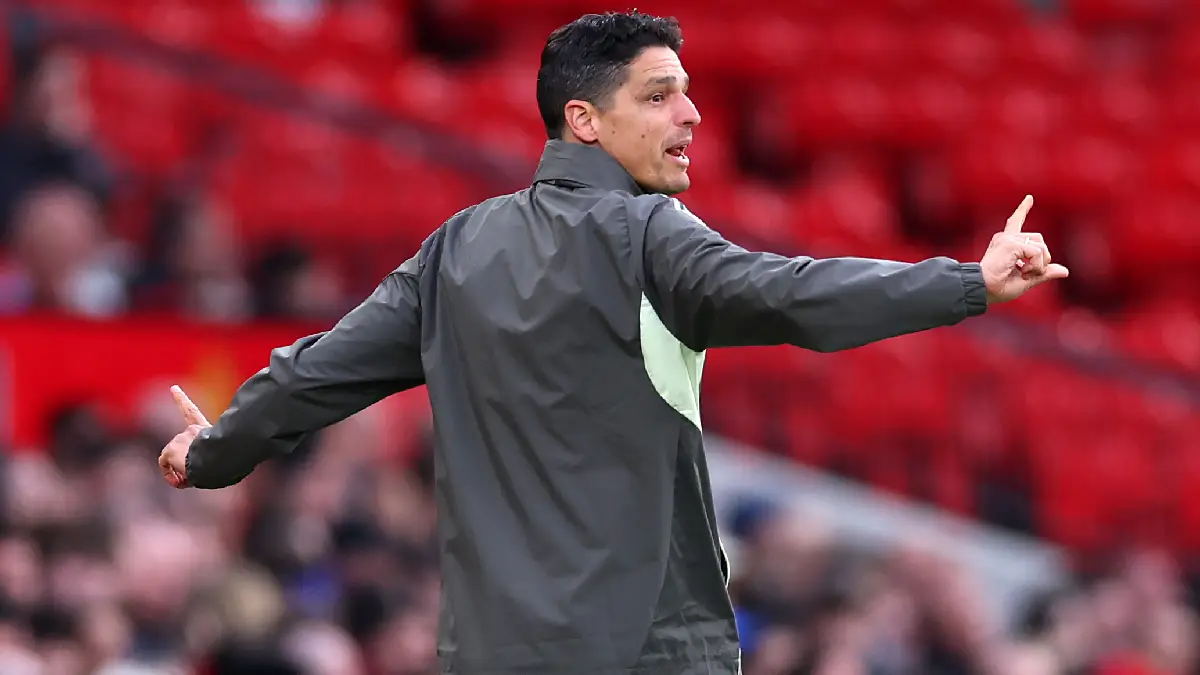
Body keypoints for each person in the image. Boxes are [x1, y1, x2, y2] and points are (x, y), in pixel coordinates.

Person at [157, 11, 1069, 675]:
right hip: (648, 646)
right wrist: (966, 282)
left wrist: (216, 449)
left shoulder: (454, 249)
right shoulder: (650, 231)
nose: (693, 117)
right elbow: (790, 297)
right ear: (584, 120)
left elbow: (321, 373)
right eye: (661, 95)